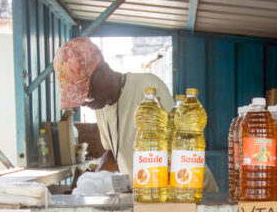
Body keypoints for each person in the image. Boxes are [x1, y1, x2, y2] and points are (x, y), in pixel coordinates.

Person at [53, 37, 217, 192]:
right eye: (80, 99)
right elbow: (112, 154)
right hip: (150, 192)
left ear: (102, 69)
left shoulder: (146, 89)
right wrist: (96, 181)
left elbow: (175, 152)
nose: (85, 103)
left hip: (189, 192)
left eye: (86, 93)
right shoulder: (101, 107)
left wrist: (144, 189)